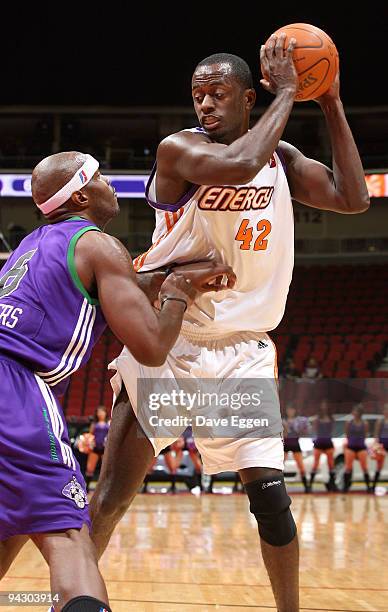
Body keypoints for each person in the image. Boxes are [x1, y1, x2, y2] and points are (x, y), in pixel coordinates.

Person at [90, 36, 369, 612]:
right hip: (173, 343)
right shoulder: (180, 151)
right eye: (198, 96)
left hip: (241, 354)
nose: (206, 106)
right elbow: (239, 166)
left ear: (247, 99)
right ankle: (68, 598)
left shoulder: (282, 159)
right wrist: (291, 90)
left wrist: (331, 101)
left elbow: (353, 196)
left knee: (271, 500)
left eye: (218, 94)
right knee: (114, 496)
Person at [0, 151, 234, 612]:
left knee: (7, 532)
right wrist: (178, 295)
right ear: (84, 194)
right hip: (15, 388)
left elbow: (118, 284)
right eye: (101, 177)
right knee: (69, 537)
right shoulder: (99, 245)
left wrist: (169, 276)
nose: (111, 185)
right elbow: (151, 346)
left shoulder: (33, 245)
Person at [310, 401, 337, 492]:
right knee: (315, 464)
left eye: (326, 406)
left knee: (331, 465)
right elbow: (314, 431)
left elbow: (333, 430)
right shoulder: (317, 419)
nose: (324, 407)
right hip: (319, 443)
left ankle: (332, 485)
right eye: (323, 406)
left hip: (328, 442)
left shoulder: (331, 418)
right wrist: (313, 440)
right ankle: (310, 485)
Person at [282, 405, 310, 493]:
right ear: (287, 411)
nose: (290, 412)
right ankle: (279, 486)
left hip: (295, 444)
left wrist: (298, 429)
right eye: (289, 410)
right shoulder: (283, 421)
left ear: (294, 411)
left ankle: (306, 487)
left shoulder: (298, 421)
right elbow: (282, 434)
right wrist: (285, 429)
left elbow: (303, 432)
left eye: (292, 410)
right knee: (280, 466)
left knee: (301, 466)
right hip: (285, 444)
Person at [343, 405, 371, 493]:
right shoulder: (349, 423)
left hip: (361, 447)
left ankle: (368, 487)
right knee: (348, 468)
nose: (355, 413)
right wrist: (350, 443)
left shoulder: (365, 423)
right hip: (351, 447)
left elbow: (365, 435)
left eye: (357, 411)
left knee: (365, 467)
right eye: (354, 411)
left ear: (360, 413)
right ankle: (346, 487)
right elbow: (347, 434)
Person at [85, 406, 110, 492]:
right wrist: (90, 443)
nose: (100, 414)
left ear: (105, 413)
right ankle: (87, 487)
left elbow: (111, 435)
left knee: (105, 469)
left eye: (102, 412)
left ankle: (104, 488)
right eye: (98, 412)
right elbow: (90, 435)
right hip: (95, 448)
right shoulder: (94, 424)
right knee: (90, 468)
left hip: (105, 449)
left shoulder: (109, 423)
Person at [371, 403, 388, 491]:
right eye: (386, 410)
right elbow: (376, 435)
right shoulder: (380, 421)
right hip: (382, 445)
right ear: (384, 411)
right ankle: (373, 486)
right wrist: (376, 446)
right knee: (379, 466)